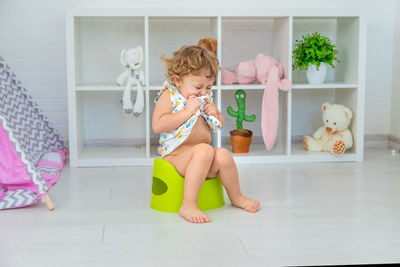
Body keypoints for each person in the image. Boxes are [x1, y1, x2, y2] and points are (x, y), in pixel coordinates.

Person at [152, 45, 260, 224]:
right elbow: (158, 125)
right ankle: (188, 204)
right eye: (198, 87)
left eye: (209, 87)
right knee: (204, 150)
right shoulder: (169, 96)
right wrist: (186, 112)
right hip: (176, 158)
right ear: (178, 80)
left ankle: (236, 197)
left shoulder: (204, 99)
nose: (204, 92)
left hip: (202, 157)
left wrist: (214, 114)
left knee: (223, 155)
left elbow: (218, 124)